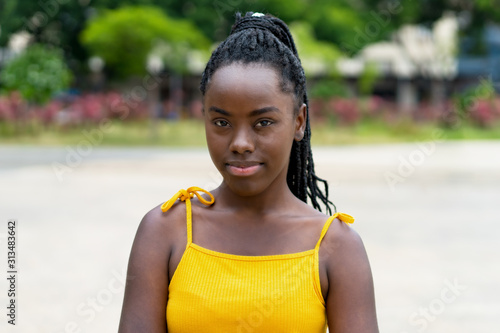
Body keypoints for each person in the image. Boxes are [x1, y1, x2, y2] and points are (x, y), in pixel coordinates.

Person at [118, 12, 378, 333]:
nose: (240, 143)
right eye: (222, 122)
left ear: (299, 122)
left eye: (263, 123)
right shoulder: (165, 231)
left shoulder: (336, 247)